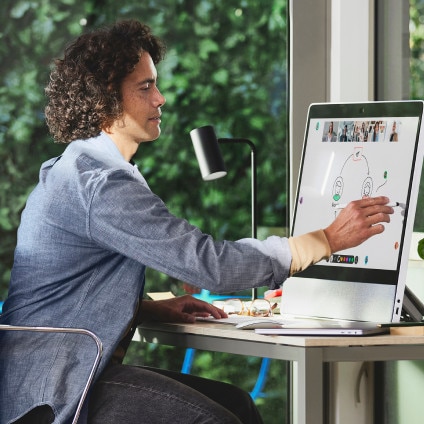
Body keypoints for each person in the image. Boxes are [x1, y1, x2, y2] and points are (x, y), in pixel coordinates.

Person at [0, 19, 394, 424]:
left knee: (237, 404)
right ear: (105, 100)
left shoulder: (83, 168)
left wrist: (149, 308)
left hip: (58, 372)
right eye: (145, 87)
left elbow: (66, 289)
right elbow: (211, 265)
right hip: (54, 389)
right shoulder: (99, 184)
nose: (161, 98)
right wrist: (326, 239)